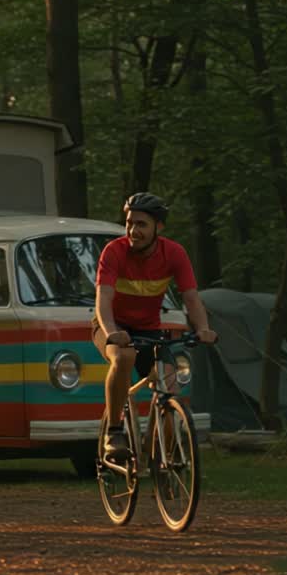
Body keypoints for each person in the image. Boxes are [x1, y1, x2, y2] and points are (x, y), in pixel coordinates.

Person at [92, 192, 218, 458]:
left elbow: (191, 297)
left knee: (170, 389)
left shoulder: (174, 253)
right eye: (129, 223)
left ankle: (162, 460)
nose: (133, 231)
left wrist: (203, 328)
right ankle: (114, 431)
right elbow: (103, 300)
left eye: (141, 224)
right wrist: (113, 332)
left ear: (158, 227)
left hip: (148, 328)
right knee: (124, 357)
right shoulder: (114, 252)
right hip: (111, 325)